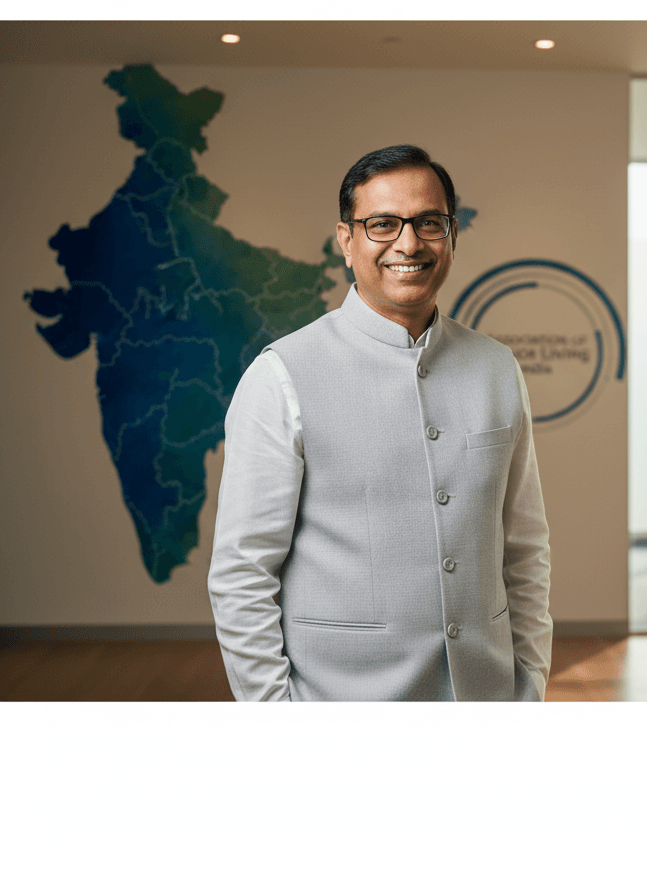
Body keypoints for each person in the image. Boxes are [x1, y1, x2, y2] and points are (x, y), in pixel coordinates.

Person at [208, 145, 552, 700]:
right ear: (346, 240)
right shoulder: (281, 377)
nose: (409, 244)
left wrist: (530, 682)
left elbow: (525, 547)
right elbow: (242, 573)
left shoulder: (497, 368)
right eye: (382, 224)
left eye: (428, 223)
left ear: (453, 235)